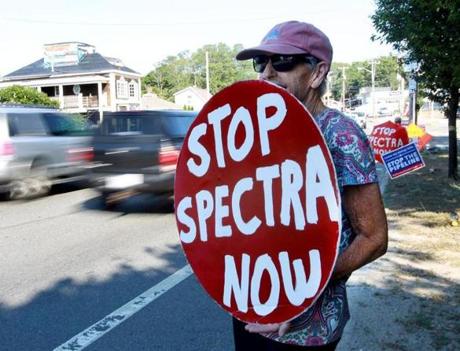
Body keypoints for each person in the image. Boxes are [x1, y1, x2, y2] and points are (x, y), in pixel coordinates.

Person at [233, 20, 388, 350]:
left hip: (307, 328)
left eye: (283, 61)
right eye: (261, 63)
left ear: (317, 73)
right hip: (251, 310)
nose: (266, 74)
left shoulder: (340, 135)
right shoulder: (261, 134)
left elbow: (374, 238)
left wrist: (299, 291)